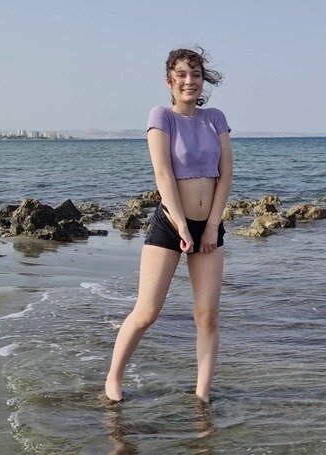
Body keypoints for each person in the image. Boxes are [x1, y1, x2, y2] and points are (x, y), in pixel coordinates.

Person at [105, 47, 233, 404]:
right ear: (170, 81)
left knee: (207, 316)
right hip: (170, 223)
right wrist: (182, 226)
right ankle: (113, 379)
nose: (190, 81)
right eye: (182, 75)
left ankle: (202, 395)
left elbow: (226, 175)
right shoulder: (162, 116)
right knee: (147, 311)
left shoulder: (215, 119)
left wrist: (211, 225)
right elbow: (163, 175)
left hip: (209, 225)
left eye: (196, 74)